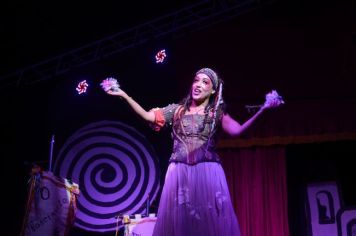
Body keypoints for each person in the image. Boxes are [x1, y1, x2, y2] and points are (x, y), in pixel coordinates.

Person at [106, 68, 282, 236]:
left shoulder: (215, 113)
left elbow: (237, 131)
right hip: (179, 171)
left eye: (205, 82)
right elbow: (147, 116)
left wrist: (263, 110)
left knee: (208, 218)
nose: (198, 84)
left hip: (207, 171)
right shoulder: (176, 110)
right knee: (181, 219)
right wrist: (124, 96)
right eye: (196, 80)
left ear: (213, 90)